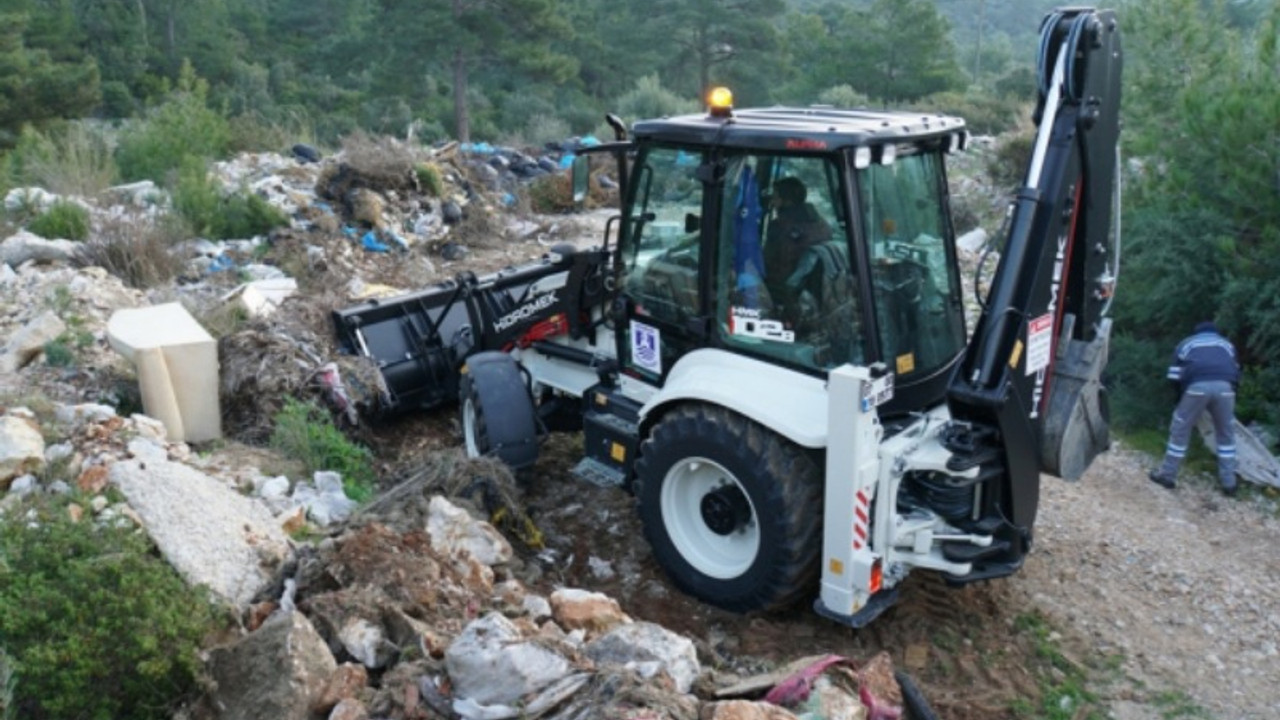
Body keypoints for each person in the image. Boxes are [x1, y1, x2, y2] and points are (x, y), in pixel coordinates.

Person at [1149, 321, 1242, 496]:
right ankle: (1229, 483)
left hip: (1196, 387)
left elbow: (1174, 376)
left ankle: (1168, 475)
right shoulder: (1227, 344)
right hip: (1225, 388)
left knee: (1180, 429)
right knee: (1226, 434)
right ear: (1215, 332)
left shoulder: (1187, 343)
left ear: (1196, 332)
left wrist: (1180, 399)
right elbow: (1236, 372)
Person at [763, 177, 832, 298]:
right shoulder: (822, 224)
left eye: (775, 197)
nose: (772, 203)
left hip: (783, 291)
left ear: (787, 201)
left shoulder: (780, 227)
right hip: (815, 291)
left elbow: (767, 264)